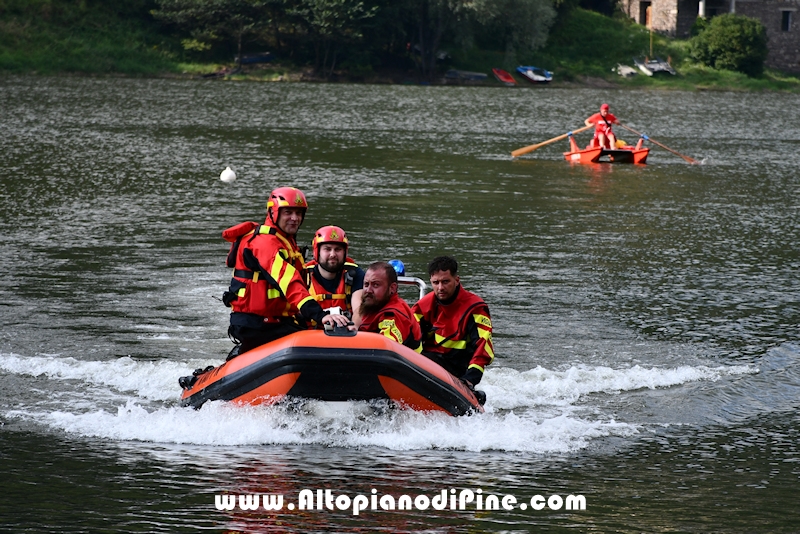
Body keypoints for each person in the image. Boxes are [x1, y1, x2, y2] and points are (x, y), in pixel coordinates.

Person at [220, 187, 349, 356]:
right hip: (257, 323)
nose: (294, 218)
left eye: (298, 213)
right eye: (288, 212)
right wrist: (319, 314)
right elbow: (289, 282)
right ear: (274, 212)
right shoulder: (264, 243)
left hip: (280, 320)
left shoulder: (285, 242)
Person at [411, 256, 494, 387]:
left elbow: (483, 347)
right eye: (435, 283)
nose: (440, 288)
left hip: (459, 369)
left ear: (456, 280)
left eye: (445, 282)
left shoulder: (475, 308)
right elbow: (409, 337)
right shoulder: (423, 306)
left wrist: (470, 380)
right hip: (428, 363)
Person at [304, 225, 365, 327]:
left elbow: (358, 308)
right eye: (327, 249)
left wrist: (354, 326)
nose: (333, 254)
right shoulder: (304, 275)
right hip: (309, 335)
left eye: (338, 249)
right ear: (317, 251)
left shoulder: (355, 274)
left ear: (345, 252)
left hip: (345, 333)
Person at [358, 261, 422, 352]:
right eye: (366, 284)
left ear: (392, 288)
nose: (368, 290)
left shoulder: (393, 315)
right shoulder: (374, 306)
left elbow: (385, 349)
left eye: (376, 285)